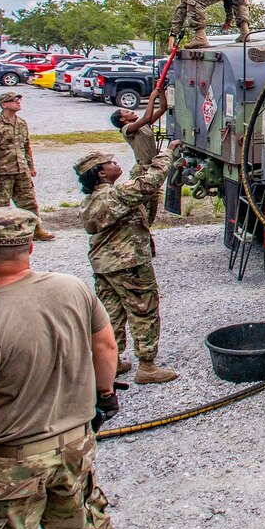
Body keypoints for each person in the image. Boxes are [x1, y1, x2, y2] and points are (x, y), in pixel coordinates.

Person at [0, 207, 124, 529]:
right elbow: (106, 345)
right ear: (30, 248)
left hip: (11, 466)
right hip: (76, 449)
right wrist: (105, 396)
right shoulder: (74, 288)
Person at [75, 141, 182, 383]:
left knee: (110, 314)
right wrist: (168, 152)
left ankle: (109, 363)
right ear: (101, 173)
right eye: (110, 163)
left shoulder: (91, 200)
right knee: (143, 311)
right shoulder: (115, 195)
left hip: (104, 266)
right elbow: (150, 182)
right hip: (129, 264)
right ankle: (147, 366)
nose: (116, 164)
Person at [0, 91, 55, 240]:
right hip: (2, 172)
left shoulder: (21, 123)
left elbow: (26, 146)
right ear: (4, 104)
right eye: (14, 100)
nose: (18, 102)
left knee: (29, 203)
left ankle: (35, 230)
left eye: (19, 99)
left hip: (21, 171)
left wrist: (31, 166)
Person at [110, 86, 169, 225]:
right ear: (123, 119)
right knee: (142, 205)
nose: (131, 111)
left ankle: (146, 230)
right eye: (127, 111)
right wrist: (151, 98)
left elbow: (162, 109)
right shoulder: (127, 129)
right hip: (142, 170)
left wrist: (162, 94)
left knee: (152, 204)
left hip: (151, 167)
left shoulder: (143, 126)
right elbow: (147, 117)